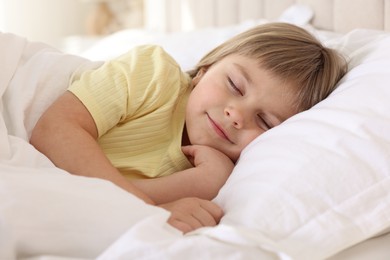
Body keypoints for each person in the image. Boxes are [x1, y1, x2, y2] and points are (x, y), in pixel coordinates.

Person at [30, 22, 347, 233]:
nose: (235, 114)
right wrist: (148, 211)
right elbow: (55, 129)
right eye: (235, 85)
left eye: (265, 121)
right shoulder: (154, 75)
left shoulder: (221, 177)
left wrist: (204, 181)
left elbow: (96, 195)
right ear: (204, 70)